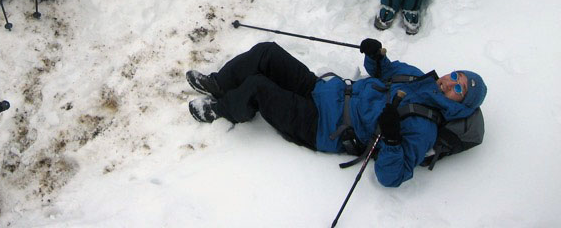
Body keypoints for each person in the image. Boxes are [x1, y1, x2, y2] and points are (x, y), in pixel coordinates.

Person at [186, 38, 487, 187]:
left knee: (258, 87)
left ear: (460, 104)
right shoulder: (419, 77)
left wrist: (393, 139)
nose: (449, 82)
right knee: (268, 52)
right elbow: (386, 70)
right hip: (322, 90)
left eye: (458, 88)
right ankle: (220, 83)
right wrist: (376, 54)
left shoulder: (425, 127)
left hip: (321, 126)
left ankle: (222, 109)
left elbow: (392, 176)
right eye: (455, 75)